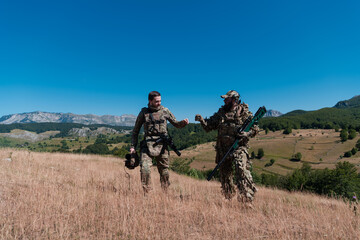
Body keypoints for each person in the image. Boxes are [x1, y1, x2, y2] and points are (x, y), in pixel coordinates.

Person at [195, 90, 259, 204]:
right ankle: (228, 199)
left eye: (227, 99)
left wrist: (247, 134)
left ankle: (246, 200)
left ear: (234, 99)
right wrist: (201, 120)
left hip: (239, 147)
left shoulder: (244, 113)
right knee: (225, 175)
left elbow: (255, 129)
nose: (224, 101)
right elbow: (209, 126)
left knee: (241, 171)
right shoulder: (221, 113)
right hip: (223, 149)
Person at [130, 91, 189, 193]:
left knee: (164, 171)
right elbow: (135, 131)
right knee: (144, 169)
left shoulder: (165, 111)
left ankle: (165, 193)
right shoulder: (144, 113)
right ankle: (147, 194)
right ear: (150, 101)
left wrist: (183, 123)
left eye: (160, 101)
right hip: (147, 144)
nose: (159, 103)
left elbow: (176, 124)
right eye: (157, 101)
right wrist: (132, 147)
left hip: (163, 144)